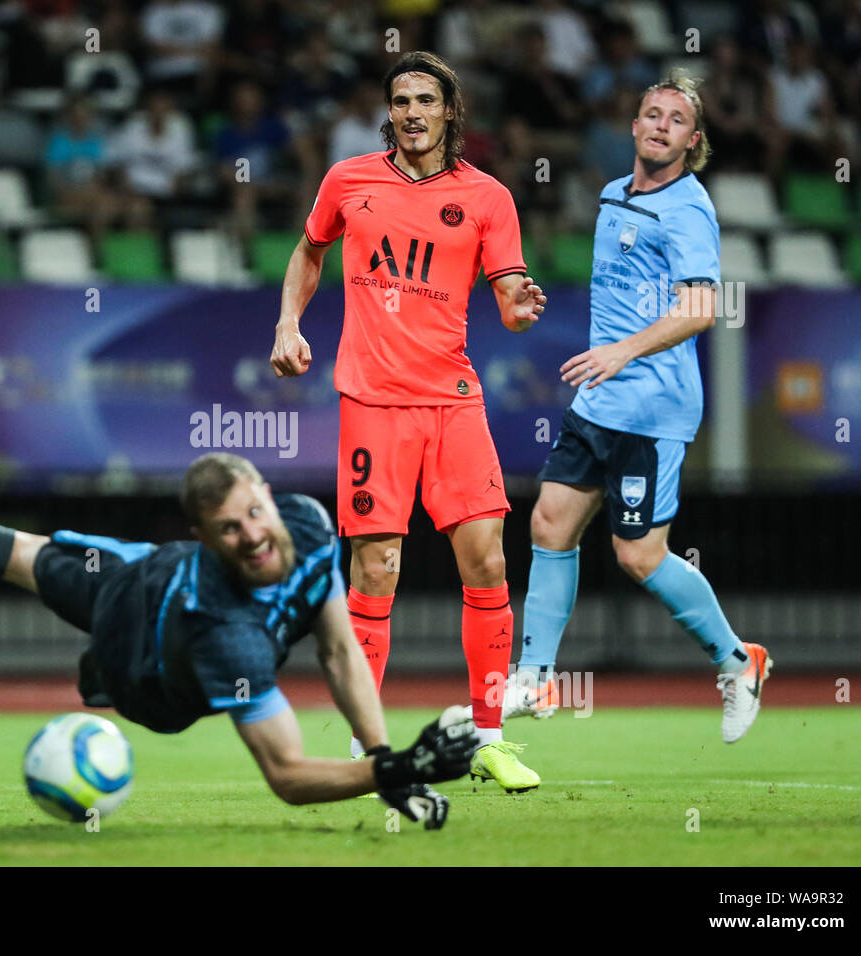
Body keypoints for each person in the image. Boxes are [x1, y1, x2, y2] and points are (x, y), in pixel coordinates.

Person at [0, 455, 478, 825]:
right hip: (138, 653)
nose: (252, 537)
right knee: (16, 555)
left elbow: (340, 650)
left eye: (254, 514)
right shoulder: (227, 639)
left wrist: (385, 762)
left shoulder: (311, 528)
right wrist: (402, 768)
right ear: (206, 539)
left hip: (143, 570)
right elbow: (285, 775)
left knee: (18, 552)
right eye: (228, 530)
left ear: (268, 495)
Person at [269, 51, 546, 793]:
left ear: (450, 111)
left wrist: (519, 307)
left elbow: (511, 292)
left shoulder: (488, 197)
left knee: (487, 560)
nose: (413, 112)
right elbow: (308, 250)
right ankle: (376, 749)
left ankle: (489, 737)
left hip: (453, 400)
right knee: (378, 570)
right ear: (388, 112)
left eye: (426, 99)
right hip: (373, 401)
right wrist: (288, 324)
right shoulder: (348, 180)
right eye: (401, 100)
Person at [488, 72, 772, 743]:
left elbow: (701, 308)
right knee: (550, 524)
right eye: (651, 114)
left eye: (675, 119)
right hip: (599, 400)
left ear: (692, 140)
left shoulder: (689, 209)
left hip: (653, 407)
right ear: (635, 126)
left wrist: (623, 351)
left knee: (638, 556)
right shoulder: (614, 194)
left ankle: (739, 661)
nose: (660, 125)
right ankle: (533, 678)